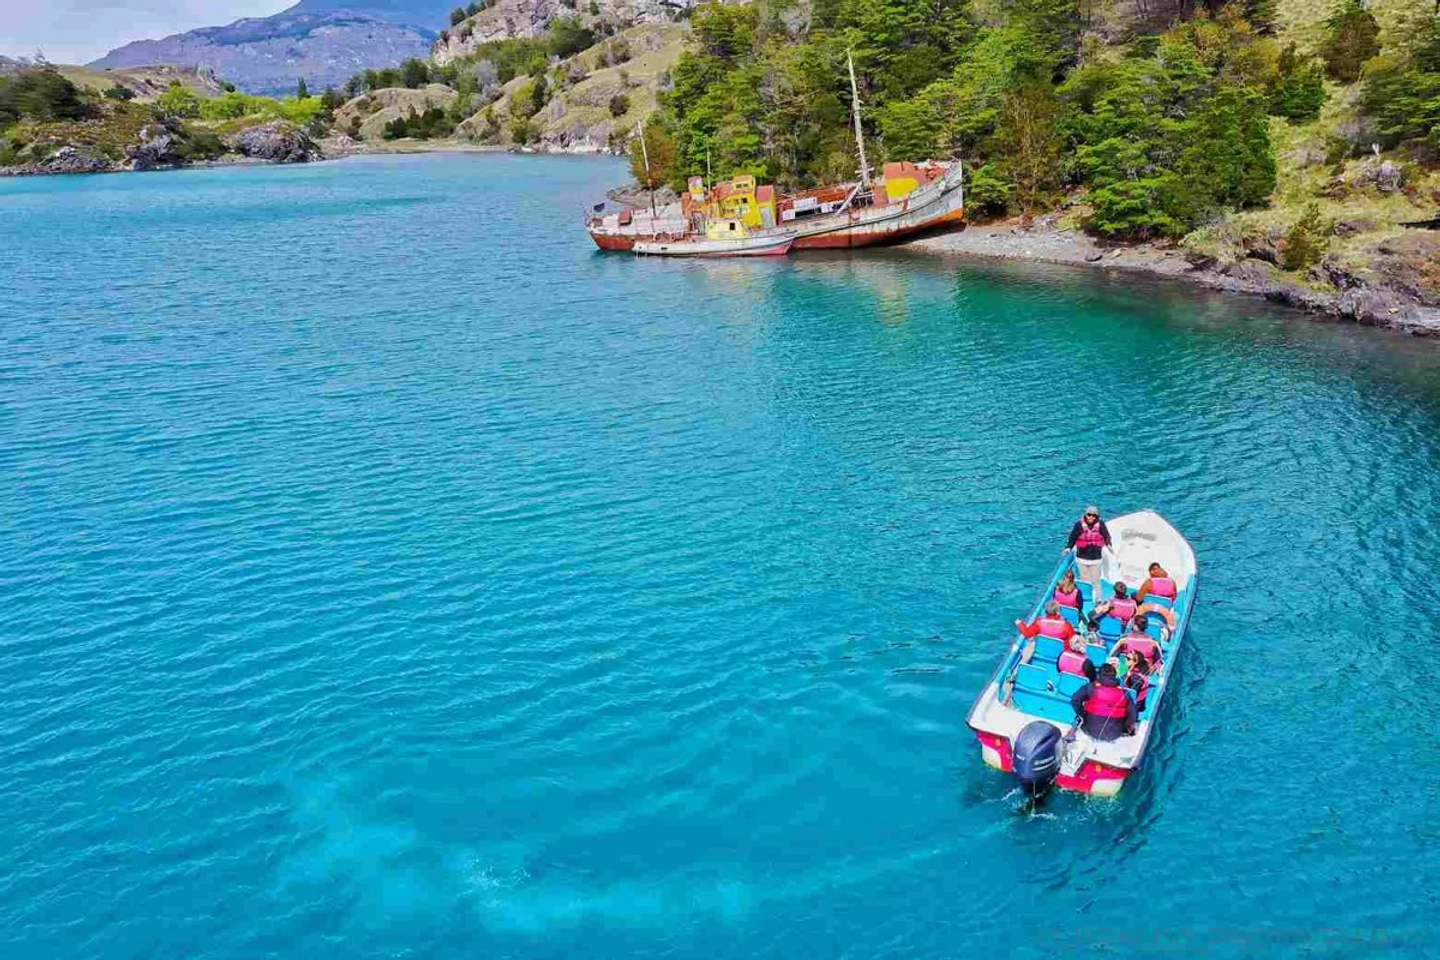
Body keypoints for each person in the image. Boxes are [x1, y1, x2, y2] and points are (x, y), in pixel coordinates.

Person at [1070, 662, 1136, 741]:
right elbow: (1133, 714)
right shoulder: (1124, 693)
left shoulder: (1090, 687)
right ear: (1114, 676)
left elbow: (1075, 700)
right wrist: (1125, 727)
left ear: (1099, 675)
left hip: (1089, 730)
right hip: (1115, 734)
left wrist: (1082, 713)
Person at [1065, 506, 1111, 599]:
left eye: (1094, 515)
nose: (1091, 517)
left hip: (1096, 559)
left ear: (1097, 516)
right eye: (1089, 515)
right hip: (1082, 559)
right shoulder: (1079, 525)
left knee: (1096, 581)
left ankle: (1098, 599)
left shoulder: (1100, 524)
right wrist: (1068, 547)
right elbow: (1073, 537)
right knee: (1085, 581)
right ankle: (1086, 598)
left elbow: (1106, 535)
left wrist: (1109, 544)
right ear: (1085, 515)